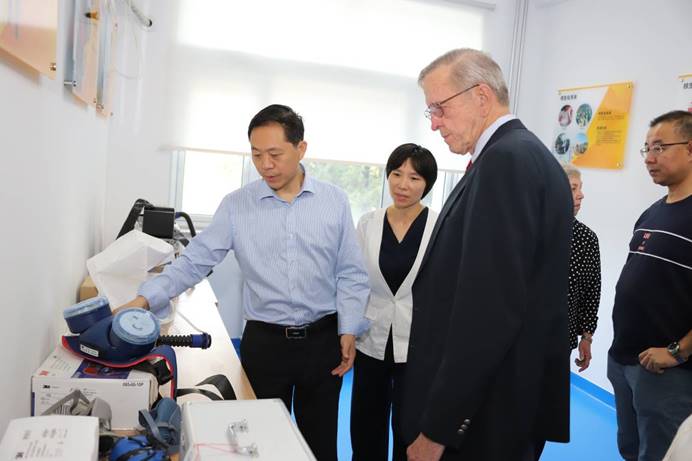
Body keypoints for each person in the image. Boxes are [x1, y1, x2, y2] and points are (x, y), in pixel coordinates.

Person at [118, 104, 370, 461]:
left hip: (322, 342)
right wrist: (144, 300)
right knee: (259, 445)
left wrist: (349, 328)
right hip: (266, 344)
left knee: (320, 445)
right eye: (256, 154)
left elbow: (351, 272)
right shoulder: (237, 206)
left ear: (301, 149)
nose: (265, 165)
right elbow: (194, 260)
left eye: (275, 154)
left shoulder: (334, 201)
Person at [400, 48, 573, 461]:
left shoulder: (506, 163)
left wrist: (439, 429)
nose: (434, 123)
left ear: (481, 96)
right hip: (502, 399)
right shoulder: (522, 155)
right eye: (430, 111)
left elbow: (488, 311)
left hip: (485, 413)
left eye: (439, 108)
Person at [607, 110, 692, 461]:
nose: (649, 158)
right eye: (646, 149)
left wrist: (678, 352)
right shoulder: (653, 212)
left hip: (665, 373)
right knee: (631, 449)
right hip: (624, 360)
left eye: (659, 147)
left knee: (659, 454)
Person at [350, 144, 438, 461]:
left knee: (408, 427)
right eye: (397, 174)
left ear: (427, 183)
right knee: (366, 424)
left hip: (417, 344)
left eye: (414, 178)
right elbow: (354, 280)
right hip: (370, 339)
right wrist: (347, 330)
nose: (403, 185)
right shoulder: (368, 223)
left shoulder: (439, 226)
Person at [562, 163, 601, 372]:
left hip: (561, 338)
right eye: (573, 188)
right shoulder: (530, 231)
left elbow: (591, 291)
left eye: (580, 187)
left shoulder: (586, 238)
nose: (581, 195)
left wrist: (587, 337)